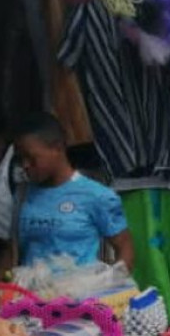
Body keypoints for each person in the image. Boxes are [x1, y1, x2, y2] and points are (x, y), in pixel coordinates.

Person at [11, 113, 134, 272]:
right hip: (31, 294)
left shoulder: (96, 195)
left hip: (79, 293)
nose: (25, 165)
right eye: (20, 159)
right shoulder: (23, 194)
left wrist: (111, 286)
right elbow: (13, 250)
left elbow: (125, 249)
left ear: (58, 147)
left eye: (31, 157)